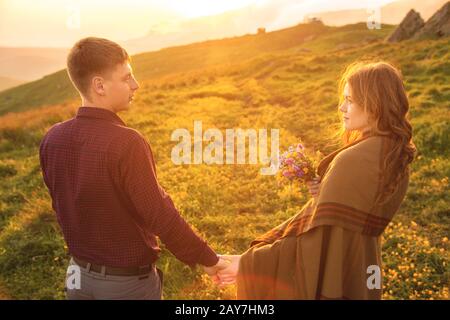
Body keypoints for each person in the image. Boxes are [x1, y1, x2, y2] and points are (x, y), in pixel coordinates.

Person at [39, 37, 228, 300]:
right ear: (99, 86)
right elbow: (159, 214)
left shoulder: (52, 138)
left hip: (76, 277)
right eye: (127, 77)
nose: (135, 85)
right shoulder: (127, 142)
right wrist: (208, 259)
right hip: (125, 285)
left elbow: (61, 205)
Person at [218, 61, 416, 300]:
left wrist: (249, 263)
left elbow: (314, 242)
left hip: (336, 268)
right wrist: (324, 196)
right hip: (361, 265)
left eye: (350, 100)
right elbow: (351, 219)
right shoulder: (392, 152)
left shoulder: (353, 161)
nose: (342, 107)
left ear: (374, 104)